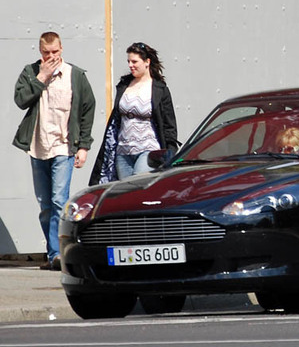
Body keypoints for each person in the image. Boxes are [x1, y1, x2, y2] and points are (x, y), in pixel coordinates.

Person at [13, 31, 96, 271]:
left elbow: (87, 109)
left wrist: (83, 146)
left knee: (60, 200)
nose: (51, 56)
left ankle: (59, 255)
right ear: (40, 52)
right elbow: (20, 100)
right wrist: (41, 78)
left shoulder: (75, 75)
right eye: (47, 53)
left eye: (55, 52)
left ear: (62, 49)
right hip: (38, 147)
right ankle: (53, 254)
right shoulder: (30, 72)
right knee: (45, 205)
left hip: (63, 146)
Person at [89, 42, 178, 185]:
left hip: (148, 150)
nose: (131, 65)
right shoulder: (124, 85)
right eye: (129, 61)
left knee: (138, 184)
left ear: (147, 62)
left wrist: (170, 150)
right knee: (126, 191)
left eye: (135, 61)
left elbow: (169, 123)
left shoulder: (159, 89)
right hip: (123, 151)